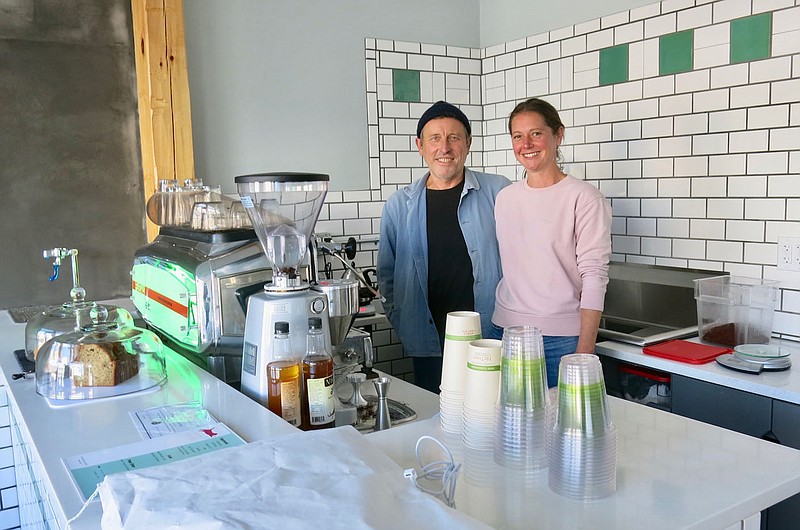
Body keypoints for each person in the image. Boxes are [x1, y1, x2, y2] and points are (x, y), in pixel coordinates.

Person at [377, 101, 511, 394]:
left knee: (490, 422)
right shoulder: (399, 206)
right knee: (436, 425)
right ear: (420, 146)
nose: (445, 147)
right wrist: (403, 322)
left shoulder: (499, 191)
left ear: (468, 143)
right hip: (428, 341)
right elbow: (387, 279)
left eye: (454, 137)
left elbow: (524, 257)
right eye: (435, 138)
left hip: (490, 337)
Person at [489, 97, 612, 387]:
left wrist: (585, 351)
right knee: (509, 429)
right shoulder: (505, 198)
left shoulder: (584, 198)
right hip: (505, 333)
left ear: (558, 135)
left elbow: (594, 276)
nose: (526, 144)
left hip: (560, 342)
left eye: (536, 134)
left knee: (559, 429)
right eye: (518, 136)